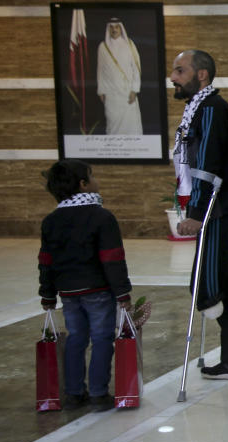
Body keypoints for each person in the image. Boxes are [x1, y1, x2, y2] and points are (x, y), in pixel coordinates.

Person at [171, 49, 228, 381]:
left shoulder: (210, 110)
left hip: (217, 211)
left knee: (207, 284)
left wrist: (196, 212)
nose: (173, 77)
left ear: (201, 75)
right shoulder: (200, 108)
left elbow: (205, 167)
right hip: (223, 210)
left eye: (180, 70)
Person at [38, 159, 132, 412]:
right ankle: (99, 394)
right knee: (102, 339)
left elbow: (45, 261)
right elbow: (112, 258)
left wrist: (47, 294)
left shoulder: (51, 220)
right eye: (92, 176)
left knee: (76, 338)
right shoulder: (102, 217)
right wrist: (122, 292)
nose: (96, 180)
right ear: (83, 184)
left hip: (67, 292)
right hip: (98, 291)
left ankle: (73, 393)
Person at [97, 18, 143, 135]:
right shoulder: (103, 47)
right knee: (113, 127)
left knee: (131, 125)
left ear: (121, 29)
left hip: (127, 92)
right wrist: (101, 91)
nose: (114, 30)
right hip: (111, 95)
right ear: (108, 29)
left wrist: (134, 90)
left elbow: (136, 69)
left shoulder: (130, 45)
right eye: (111, 27)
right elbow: (100, 70)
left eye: (116, 27)